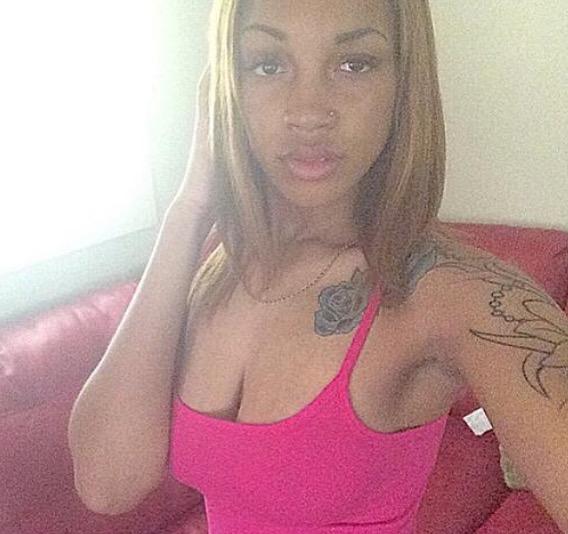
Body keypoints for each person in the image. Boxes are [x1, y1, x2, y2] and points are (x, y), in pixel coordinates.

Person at [68, 0, 568, 532]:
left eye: (354, 64)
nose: (308, 112)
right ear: (225, 87)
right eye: (268, 64)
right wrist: (189, 208)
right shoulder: (222, 266)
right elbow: (106, 484)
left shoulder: (454, 297)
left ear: (404, 82)